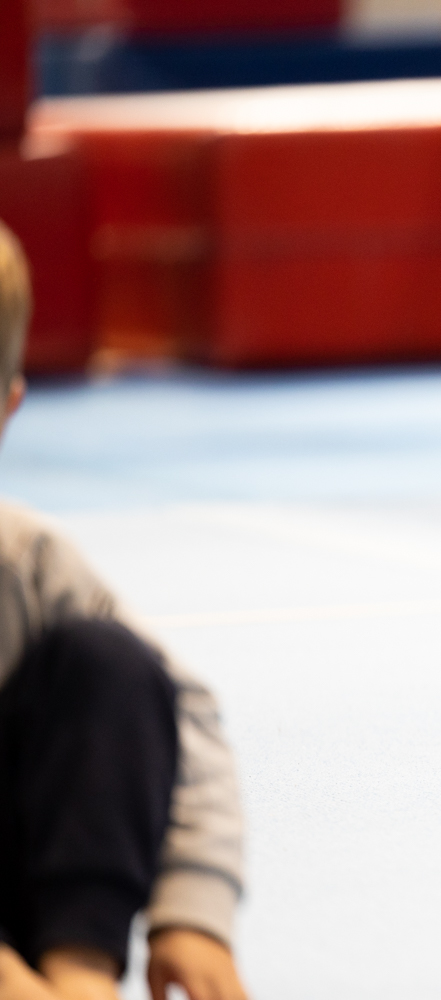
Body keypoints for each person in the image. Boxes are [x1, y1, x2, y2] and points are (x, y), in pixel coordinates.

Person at [0, 223, 249, 1000]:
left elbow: (180, 714)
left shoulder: (26, 557)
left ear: (7, 409)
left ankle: (82, 975)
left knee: (108, 662)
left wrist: (191, 910)